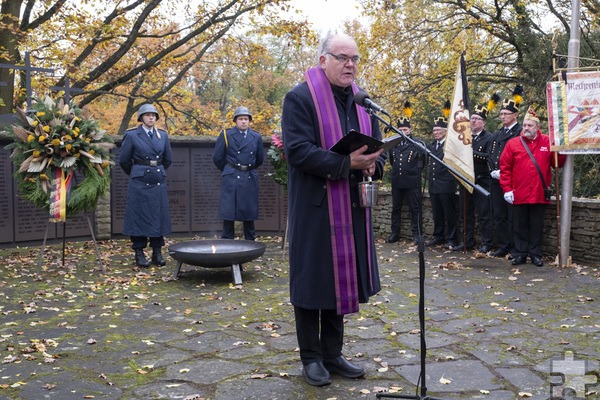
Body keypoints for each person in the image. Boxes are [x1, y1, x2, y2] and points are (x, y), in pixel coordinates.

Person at [281, 33, 386, 387]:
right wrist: (348, 164)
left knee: (340, 280)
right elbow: (298, 152)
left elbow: (372, 150)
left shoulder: (360, 101)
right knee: (313, 282)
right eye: (342, 57)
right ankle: (311, 358)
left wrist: (372, 165)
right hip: (315, 207)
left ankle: (333, 353)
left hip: (350, 206)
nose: (350, 64)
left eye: (355, 58)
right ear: (323, 59)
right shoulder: (300, 98)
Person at [499, 106, 565, 266]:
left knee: (536, 225)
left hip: (538, 192)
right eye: (525, 125)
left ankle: (535, 254)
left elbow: (558, 164)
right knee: (519, 225)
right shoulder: (513, 143)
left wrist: (562, 149)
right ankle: (520, 253)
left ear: (537, 127)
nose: (526, 128)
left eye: (530, 125)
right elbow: (505, 168)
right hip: (519, 192)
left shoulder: (548, 141)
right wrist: (507, 189)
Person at [119, 104, 173, 268]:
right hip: (139, 182)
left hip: (158, 180)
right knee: (139, 218)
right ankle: (139, 253)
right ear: (141, 118)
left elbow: (168, 160)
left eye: (153, 115)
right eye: (148, 115)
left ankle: (157, 252)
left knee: (158, 216)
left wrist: (156, 171)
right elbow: (124, 161)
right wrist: (138, 172)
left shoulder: (162, 135)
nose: (151, 117)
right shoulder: (132, 135)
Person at [213, 106, 264, 240]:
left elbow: (259, 159)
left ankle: (250, 244)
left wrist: (246, 168)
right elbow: (217, 158)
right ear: (235, 121)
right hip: (231, 177)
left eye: (246, 119)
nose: (243, 122)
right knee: (229, 214)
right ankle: (227, 245)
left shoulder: (256, 137)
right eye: (240, 119)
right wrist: (230, 170)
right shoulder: (226, 135)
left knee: (249, 214)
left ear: (249, 121)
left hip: (248, 177)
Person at [452, 99, 496, 253]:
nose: (474, 121)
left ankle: (486, 243)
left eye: (477, 119)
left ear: (483, 122)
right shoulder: (465, 137)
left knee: (484, 214)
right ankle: (467, 241)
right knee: (466, 213)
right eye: (472, 119)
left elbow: (489, 157)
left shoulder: (489, 137)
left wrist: (471, 152)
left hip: (482, 180)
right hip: (466, 179)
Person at [487, 86, 523, 258]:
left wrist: (506, 173)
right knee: (499, 214)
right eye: (501, 114)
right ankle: (503, 245)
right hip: (496, 180)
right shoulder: (498, 134)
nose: (502, 117)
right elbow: (490, 155)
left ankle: (516, 248)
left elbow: (522, 157)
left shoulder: (520, 132)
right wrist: (493, 170)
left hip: (513, 181)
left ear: (515, 115)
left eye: (506, 114)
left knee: (513, 216)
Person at [387, 104, 425, 244]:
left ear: (410, 130)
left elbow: (423, 162)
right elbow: (392, 161)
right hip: (397, 181)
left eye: (405, 129)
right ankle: (394, 233)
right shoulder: (394, 144)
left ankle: (416, 234)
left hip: (412, 181)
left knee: (415, 209)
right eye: (400, 129)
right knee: (395, 209)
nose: (403, 132)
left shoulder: (417, 144)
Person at [426, 113, 459, 249]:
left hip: (446, 184)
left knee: (449, 213)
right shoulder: (432, 146)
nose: (436, 133)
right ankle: (438, 236)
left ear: (445, 131)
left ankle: (452, 238)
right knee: (437, 213)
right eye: (434, 130)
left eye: (439, 130)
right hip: (434, 185)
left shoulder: (450, 145)